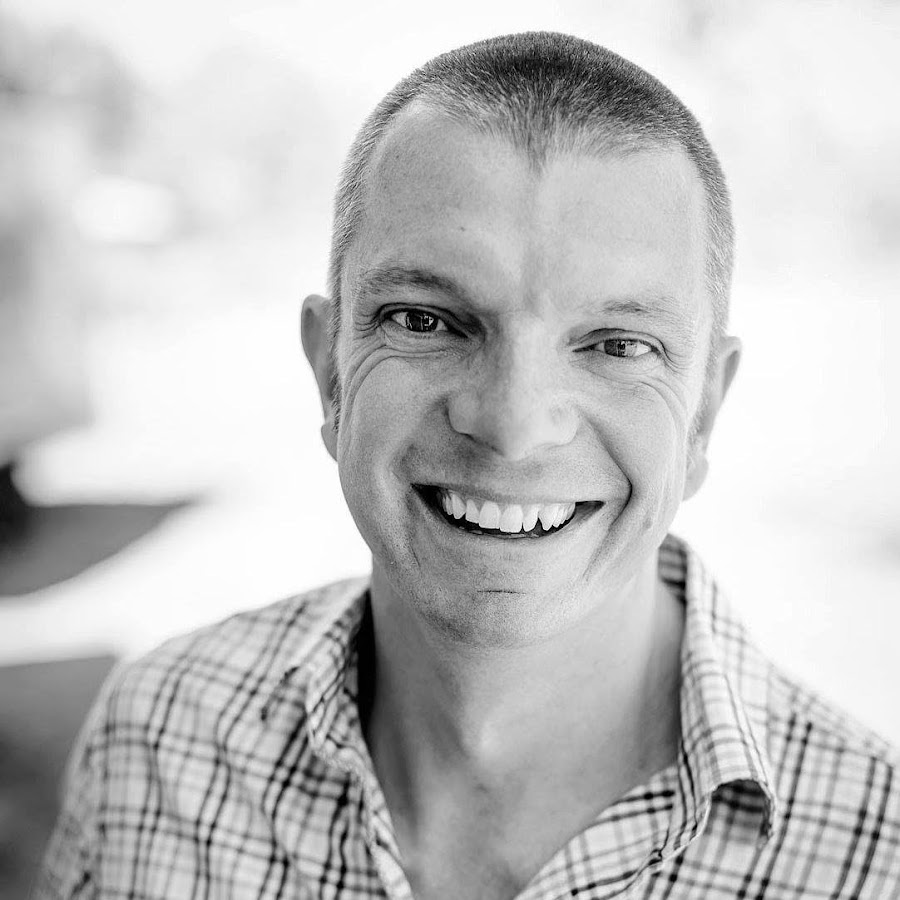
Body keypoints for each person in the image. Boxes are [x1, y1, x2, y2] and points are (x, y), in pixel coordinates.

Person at [35, 32, 900, 900]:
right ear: (331, 372)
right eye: (425, 320)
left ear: (704, 411)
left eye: (617, 344)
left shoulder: (878, 856)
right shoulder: (157, 740)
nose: (514, 428)